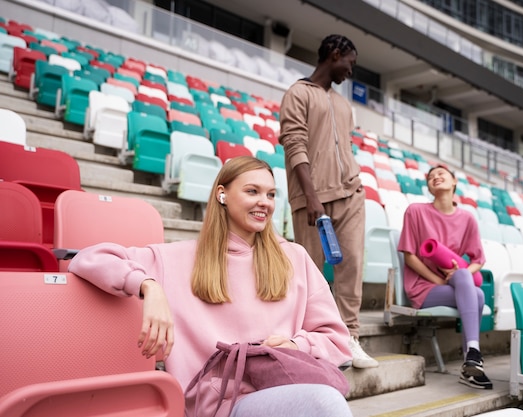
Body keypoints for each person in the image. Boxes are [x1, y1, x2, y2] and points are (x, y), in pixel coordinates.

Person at [68, 156, 354, 417]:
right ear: (222, 194)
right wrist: (147, 285)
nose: (264, 202)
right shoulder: (177, 258)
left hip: (286, 387)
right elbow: (89, 257)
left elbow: (337, 341)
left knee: (323, 402)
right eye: (252, 191)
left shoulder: (295, 257)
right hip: (221, 406)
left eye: (270, 194)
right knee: (323, 403)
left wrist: (296, 345)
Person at [279, 34, 378, 369]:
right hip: (313, 199)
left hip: (351, 193)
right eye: (350, 62)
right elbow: (294, 144)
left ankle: (350, 337)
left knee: (350, 265)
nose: (351, 71)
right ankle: (314, 339)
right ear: (335, 55)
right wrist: (310, 196)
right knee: (310, 273)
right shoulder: (298, 93)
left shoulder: (342, 104)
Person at [397, 165, 492, 389]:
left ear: (454, 182)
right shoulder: (415, 211)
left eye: (441, 174)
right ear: (429, 187)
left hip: (454, 284)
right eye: (431, 177)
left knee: (474, 290)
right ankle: (472, 356)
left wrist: (460, 275)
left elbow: (478, 259)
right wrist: (439, 279)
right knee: (476, 296)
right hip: (423, 287)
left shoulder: (467, 218)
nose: (435, 177)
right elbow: (409, 257)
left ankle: (472, 359)